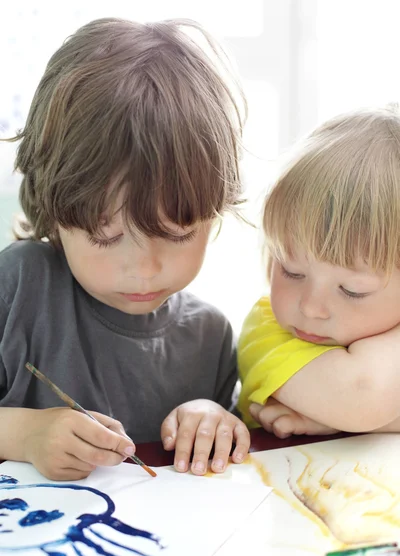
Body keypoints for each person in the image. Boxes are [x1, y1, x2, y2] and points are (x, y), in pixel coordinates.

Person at [0, 17, 250, 481]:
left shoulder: (209, 338)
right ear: (55, 211)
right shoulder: (16, 290)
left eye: (176, 234)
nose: (144, 268)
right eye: (104, 233)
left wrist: (214, 420)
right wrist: (22, 434)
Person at [238, 106, 400, 439]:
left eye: (352, 290)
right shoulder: (267, 330)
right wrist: (353, 419)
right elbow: (362, 398)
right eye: (291, 271)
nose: (311, 307)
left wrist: (332, 422)